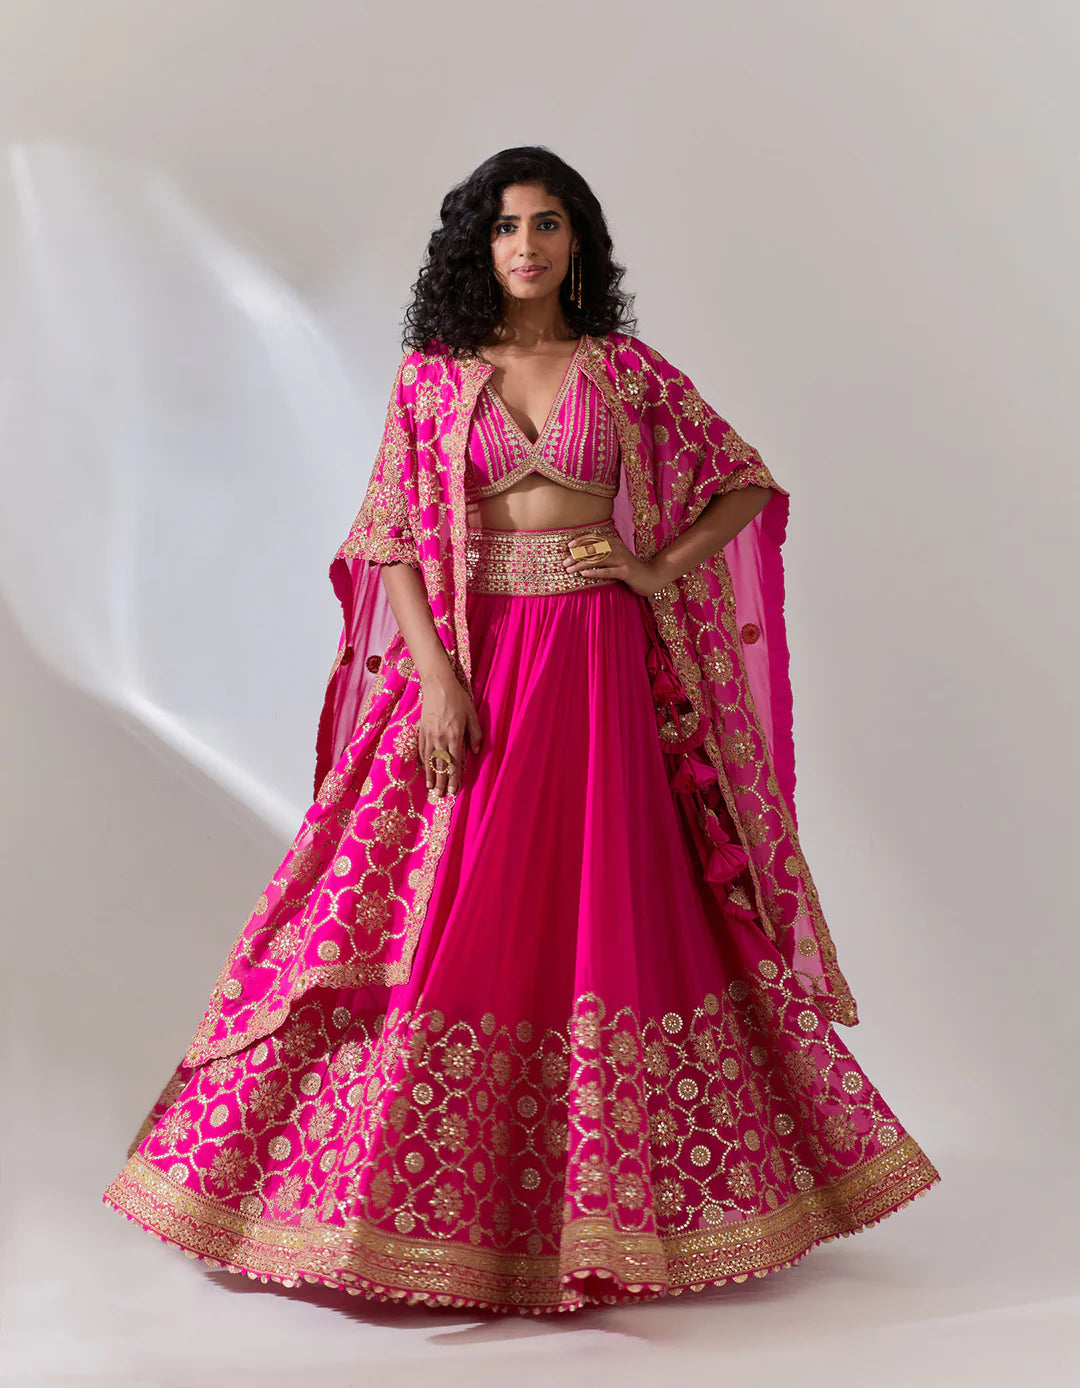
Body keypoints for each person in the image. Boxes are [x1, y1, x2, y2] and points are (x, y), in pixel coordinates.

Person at [103, 146, 940, 1315]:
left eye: (548, 224)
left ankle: (608, 1209)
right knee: (442, 905)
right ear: (477, 246)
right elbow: (391, 537)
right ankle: (398, 1206)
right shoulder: (435, 378)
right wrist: (439, 680)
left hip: (601, 664)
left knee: (603, 907)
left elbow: (743, 481)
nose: (528, 245)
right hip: (481, 656)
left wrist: (653, 567)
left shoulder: (627, 373)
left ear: (578, 241)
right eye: (506, 226)